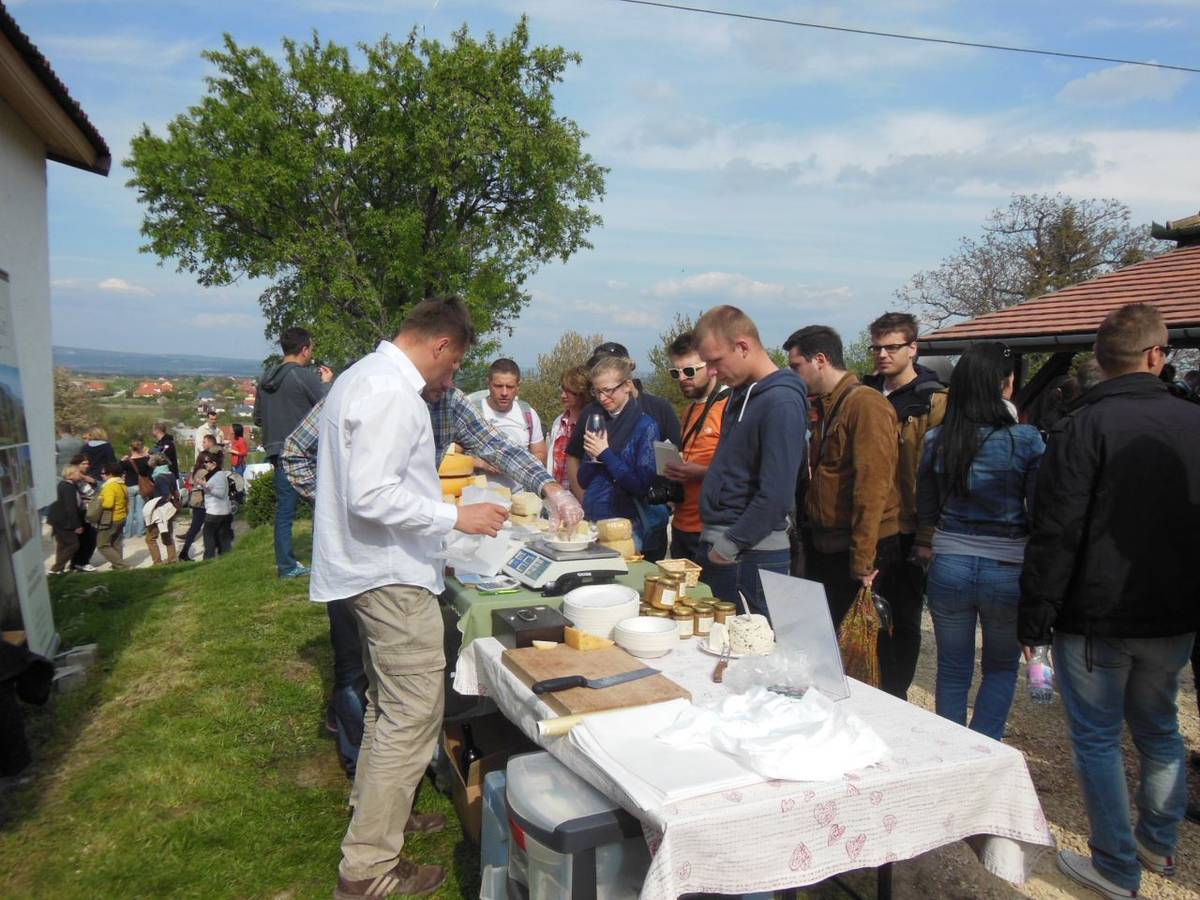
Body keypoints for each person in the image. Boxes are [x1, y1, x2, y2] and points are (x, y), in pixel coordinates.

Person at [310, 296, 518, 898]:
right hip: (389, 575)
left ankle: (379, 817)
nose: (451, 380)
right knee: (412, 714)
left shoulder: (361, 378)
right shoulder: (392, 394)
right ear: (440, 345)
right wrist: (455, 515)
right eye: (454, 368)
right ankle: (369, 868)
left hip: (375, 568)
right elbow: (371, 494)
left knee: (386, 707)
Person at [282, 377, 582, 783]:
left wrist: (549, 488)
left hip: (408, 560)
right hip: (357, 559)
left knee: (390, 693)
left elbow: (499, 447)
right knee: (357, 672)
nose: (451, 379)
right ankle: (360, 771)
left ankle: (390, 787)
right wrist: (339, 505)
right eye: (449, 365)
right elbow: (295, 452)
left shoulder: (448, 401)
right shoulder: (368, 390)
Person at [1019, 303, 1200, 899]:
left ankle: (1118, 866)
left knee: (1097, 736)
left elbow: (1057, 528)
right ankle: (1157, 841)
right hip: (1174, 608)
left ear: (1099, 359)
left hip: (1097, 610)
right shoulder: (1192, 420)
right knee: (1159, 725)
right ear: (1157, 354)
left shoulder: (1080, 425)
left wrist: (1036, 615)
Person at [916, 343, 1044, 741]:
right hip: (1007, 566)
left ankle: (953, 748)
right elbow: (1040, 510)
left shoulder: (937, 439)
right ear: (1005, 384)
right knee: (1001, 667)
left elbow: (926, 505)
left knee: (953, 668)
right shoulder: (1025, 440)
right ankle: (985, 745)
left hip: (950, 561)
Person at [786, 325, 912, 699]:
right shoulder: (829, 406)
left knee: (870, 656)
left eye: (796, 366)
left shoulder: (866, 405)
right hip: (832, 546)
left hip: (864, 552)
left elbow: (872, 486)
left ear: (819, 360)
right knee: (836, 652)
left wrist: (863, 558)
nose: (794, 375)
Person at [694, 306, 807, 617]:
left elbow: (777, 494)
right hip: (730, 549)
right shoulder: (740, 395)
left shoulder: (781, 401)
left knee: (751, 652)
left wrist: (728, 545)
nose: (712, 372)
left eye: (715, 361)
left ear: (742, 346)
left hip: (750, 554)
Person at [863, 312, 947, 654]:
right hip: (865, 520)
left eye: (892, 347)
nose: (883, 354)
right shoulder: (863, 394)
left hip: (907, 526)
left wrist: (927, 535)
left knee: (900, 621)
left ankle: (894, 697)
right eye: (877, 347)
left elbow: (935, 475)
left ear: (913, 348)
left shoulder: (933, 401)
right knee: (860, 617)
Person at [566, 340, 683, 549]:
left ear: (627, 386)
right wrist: (593, 459)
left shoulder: (645, 426)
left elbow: (640, 485)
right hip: (596, 522)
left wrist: (605, 453)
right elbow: (584, 480)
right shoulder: (596, 418)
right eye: (597, 391)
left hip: (629, 528)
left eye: (608, 390)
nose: (603, 398)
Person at [255, 326, 333, 578]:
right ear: (304, 349)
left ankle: (286, 565)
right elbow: (328, 409)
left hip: (276, 450)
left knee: (285, 511)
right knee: (322, 506)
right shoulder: (303, 376)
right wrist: (326, 385)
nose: (312, 353)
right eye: (311, 347)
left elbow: (257, 417)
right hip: (304, 451)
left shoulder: (266, 378)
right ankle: (324, 559)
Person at [662, 331, 728, 563]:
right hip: (682, 523)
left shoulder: (729, 407)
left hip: (712, 529)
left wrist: (699, 473)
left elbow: (743, 470)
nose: (682, 378)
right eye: (675, 372)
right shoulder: (689, 411)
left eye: (689, 371)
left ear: (711, 368)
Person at [468, 359, 546, 488]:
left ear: (518, 387)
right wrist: (481, 464)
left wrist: (514, 464)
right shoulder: (473, 413)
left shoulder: (528, 414)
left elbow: (541, 455)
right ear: (488, 384)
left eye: (510, 387)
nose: (504, 393)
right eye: (498, 386)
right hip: (482, 499)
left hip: (522, 501)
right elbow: (451, 457)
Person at [545, 366, 589, 495]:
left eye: (569, 391)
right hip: (558, 494)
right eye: (563, 390)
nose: (563, 395)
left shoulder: (588, 424)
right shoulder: (559, 422)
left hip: (581, 495)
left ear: (581, 393)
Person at [178, 447, 218, 563]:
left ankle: (186, 553)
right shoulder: (203, 472)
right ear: (202, 461)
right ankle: (184, 553)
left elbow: (190, 484)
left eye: (209, 461)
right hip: (201, 503)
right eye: (206, 461)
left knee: (199, 528)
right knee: (196, 529)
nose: (208, 463)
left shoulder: (196, 471)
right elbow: (210, 485)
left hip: (198, 502)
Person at [46, 464, 86, 574]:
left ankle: (59, 569)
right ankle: (56, 568)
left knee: (62, 544)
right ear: (70, 474)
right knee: (73, 544)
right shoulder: (67, 487)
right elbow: (70, 508)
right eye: (78, 472)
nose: (80, 474)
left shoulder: (68, 485)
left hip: (58, 520)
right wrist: (77, 525)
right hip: (63, 521)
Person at [143, 454, 178, 566]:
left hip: (160, 509)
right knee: (167, 535)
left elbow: (165, 494)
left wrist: (154, 503)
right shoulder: (170, 474)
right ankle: (172, 559)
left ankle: (157, 561)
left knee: (150, 538)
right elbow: (174, 492)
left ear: (155, 465)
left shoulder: (159, 477)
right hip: (170, 508)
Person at [67, 453, 98, 572]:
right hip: (81, 511)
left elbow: (97, 487)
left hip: (90, 510)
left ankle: (81, 561)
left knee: (90, 537)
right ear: (76, 465)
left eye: (88, 463)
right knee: (86, 538)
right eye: (84, 463)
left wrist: (90, 480)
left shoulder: (86, 477)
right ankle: (79, 562)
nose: (87, 466)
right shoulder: (74, 478)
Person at [199, 456, 234, 559]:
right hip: (219, 511)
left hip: (216, 512)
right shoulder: (215, 475)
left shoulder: (218, 475)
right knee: (223, 539)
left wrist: (205, 486)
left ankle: (208, 560)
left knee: (209, 538)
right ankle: (225, 559)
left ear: (213, 463)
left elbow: (220, 493)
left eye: (207, 462)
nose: (205, 464)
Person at [96, 462, 129, 571]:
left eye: (103, 473)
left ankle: (121, 565)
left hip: (111, 519)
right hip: (122, 516)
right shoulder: (122, 484)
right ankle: (117, 565)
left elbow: (108, 504)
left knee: (102, 544)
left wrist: (100, 499)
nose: (102, 475)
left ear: (110, 474)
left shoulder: (109, 486)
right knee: (116, 542)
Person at [120, 440, 151, 541]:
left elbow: (118, 469)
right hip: (141, 486)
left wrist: (121, 461)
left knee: (129, 511)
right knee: (140, 510)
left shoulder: (126, 461)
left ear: (130, 448)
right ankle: (140, 531)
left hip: (129, 486)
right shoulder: (146, 459)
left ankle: (127, 533)